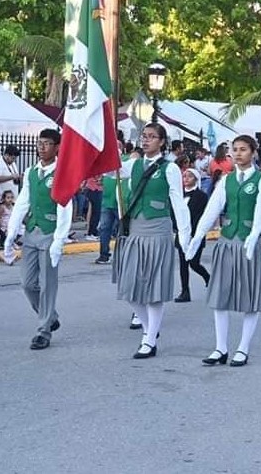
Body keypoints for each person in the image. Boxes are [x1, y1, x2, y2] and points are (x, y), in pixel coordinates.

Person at [186, 135, 261, 367]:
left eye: (243, 149)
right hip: (227, 240)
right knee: (220, 295)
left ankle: (243, 348)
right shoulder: (226, 180)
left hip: (248, 243)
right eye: (235, 150)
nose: (238, 153)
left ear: (253, 152)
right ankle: (220, 347)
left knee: (249, 296)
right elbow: (213, 209)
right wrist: (198, 235)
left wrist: (254, 235)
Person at [114, 123, 191, 359]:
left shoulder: (169, 169)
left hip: (158, 227)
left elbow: (178, 202)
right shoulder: (134, 165)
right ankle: (150, 330)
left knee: (154, 286)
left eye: (151, 137)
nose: (146, 140)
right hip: (135, 229)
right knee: (130, 287)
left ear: (162, 142)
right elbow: (110, 171)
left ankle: (149, 339)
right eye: (143, 136)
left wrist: (185, 234)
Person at [3, 129, 73, 350]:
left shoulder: (62, 172)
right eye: (39, 143)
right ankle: (50, 316)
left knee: (47, 284)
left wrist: (60, 239)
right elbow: (23, 202)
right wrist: (11, 233)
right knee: (27, 283)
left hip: (51, 231)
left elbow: (65, 206)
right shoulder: (31, 172)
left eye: (47, 143)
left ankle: (43, 330)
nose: (42, 147)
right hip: (33, 230)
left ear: (57, 147)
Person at [174, 168, 210, 303]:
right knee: (183, 263)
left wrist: (193, 232)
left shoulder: (201, 196)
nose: (186, 179)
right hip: (181, 232)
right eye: (184, 176)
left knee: (194, 263)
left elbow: (201, 216)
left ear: (195, 178)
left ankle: (208, 278)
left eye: (189, 176)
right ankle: (185, 291)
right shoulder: (179, 194)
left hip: (195, 233)